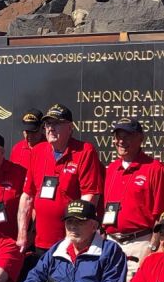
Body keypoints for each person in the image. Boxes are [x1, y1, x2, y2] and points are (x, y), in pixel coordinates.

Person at [18, 104, 104, 254]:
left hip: (72, 241)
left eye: (57, 123)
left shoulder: (84, 151)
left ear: (70, 128)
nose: (51, 128)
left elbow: (89, 197)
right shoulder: (37, 151)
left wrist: (71, 236)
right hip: (41, 241)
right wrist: (22, 233)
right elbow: (27, 196)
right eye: (48, 124)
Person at [101, 118, 164, 277]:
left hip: (139, 244)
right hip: (111, 244)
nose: (121, 141)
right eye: (118, 136)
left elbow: (162, 214)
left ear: (140, 138)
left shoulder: (154, 168)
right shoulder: (111, 169)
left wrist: (153, 248)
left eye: (127, 136)